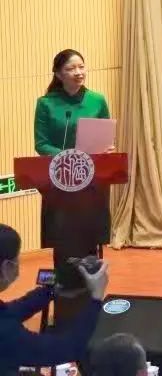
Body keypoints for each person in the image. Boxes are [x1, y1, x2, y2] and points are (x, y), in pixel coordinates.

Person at [33, 49, 112, 313]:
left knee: (89, 242)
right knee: (64, 242)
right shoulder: (46, 104)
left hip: (91, 184)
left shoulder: (97, 100)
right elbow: (41, 143)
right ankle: (64, 304)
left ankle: (92, 301)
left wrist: (106, 149)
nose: (78, 72)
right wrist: (69, 157)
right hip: (60, 184)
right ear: (58, 74)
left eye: (81, 67)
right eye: (70, 68)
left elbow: (105, 137)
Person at [0, 223, 110, 376]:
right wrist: (96, 296)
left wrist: (50, 290)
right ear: (6, 267)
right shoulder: (7, 333)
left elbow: (11, 312)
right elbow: (68, 347)